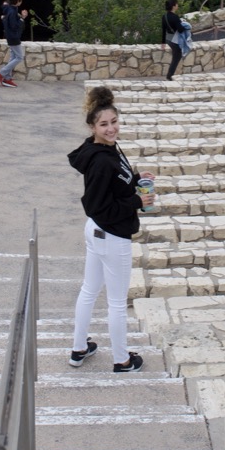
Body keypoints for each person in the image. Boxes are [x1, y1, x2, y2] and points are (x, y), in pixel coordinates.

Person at [67, 86, 155, 373]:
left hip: (97, 232)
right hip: (111, 234)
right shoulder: (102, 161)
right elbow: (96, 206)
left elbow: (115, 184)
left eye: (114, 122)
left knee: (89, 290)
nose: (111, 128)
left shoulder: (102, 149)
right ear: (93, 126)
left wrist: (137, 180)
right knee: (117, 303)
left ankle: (79, 348)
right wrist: (137, 200)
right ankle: (122, 360)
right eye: (104, 124)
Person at [0, 0, 27, 88]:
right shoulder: (12, 11)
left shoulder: (8, 8)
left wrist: (4, 18)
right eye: (21, 0)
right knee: (20, 57)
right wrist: (22, 18)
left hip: (10, 36)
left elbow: (4, 6)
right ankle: (1, 73)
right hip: (13, 37)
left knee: (13, 57)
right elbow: (14, 26)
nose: (21, 2)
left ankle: (7, 79)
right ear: (17, 1)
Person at [161, 0, 187, 80]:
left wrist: (163, 43)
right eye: (176, 4)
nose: (177, 6)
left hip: (168, 39)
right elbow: (180, 29)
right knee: (177, 57)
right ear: (173, 6)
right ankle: (169, 75)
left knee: (175, 55)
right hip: (175, 40)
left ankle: (170, 74)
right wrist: (185, 26)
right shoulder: (175, 17)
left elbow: (163, 30)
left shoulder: (164, 16)